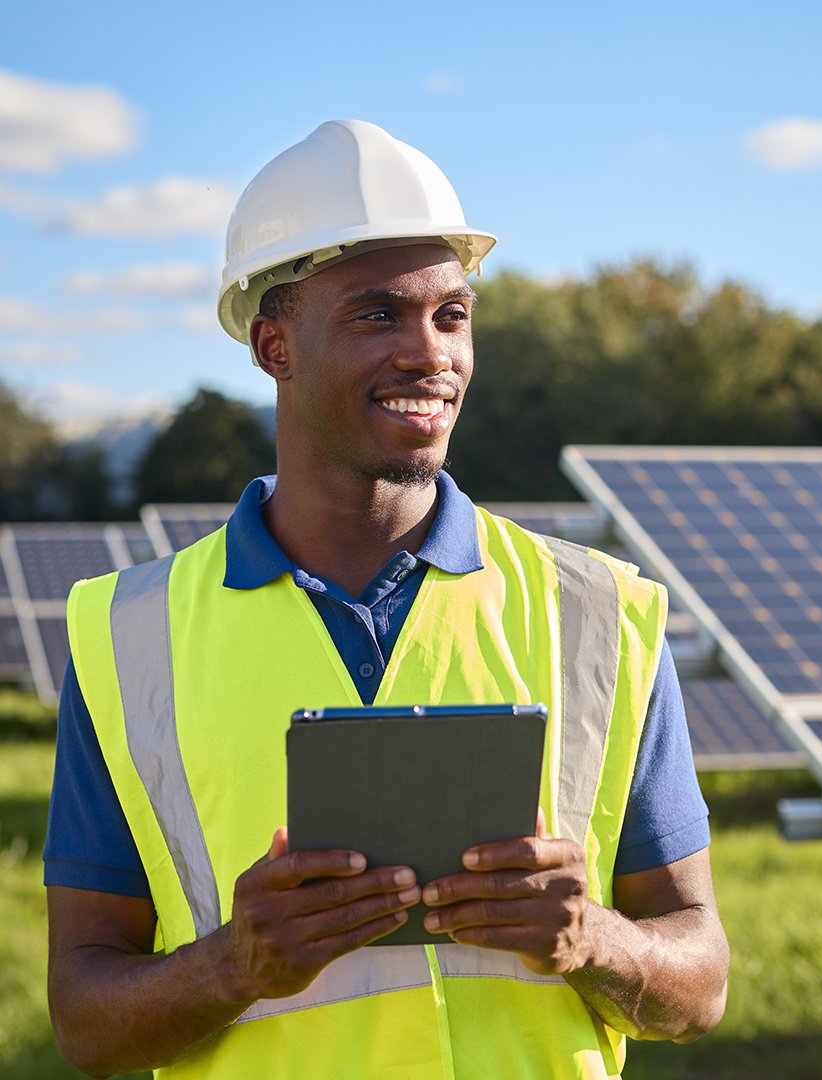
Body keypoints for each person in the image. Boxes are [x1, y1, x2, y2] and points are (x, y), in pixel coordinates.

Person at [45, 120, 729, 1079]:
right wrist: (232, 966)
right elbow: (83, 1025)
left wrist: (595, 941)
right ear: (274, 345)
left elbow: (700, 986)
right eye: (377, 316)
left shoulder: (601, 615)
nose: (431, 353)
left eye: (453, 315)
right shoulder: (128, 641)